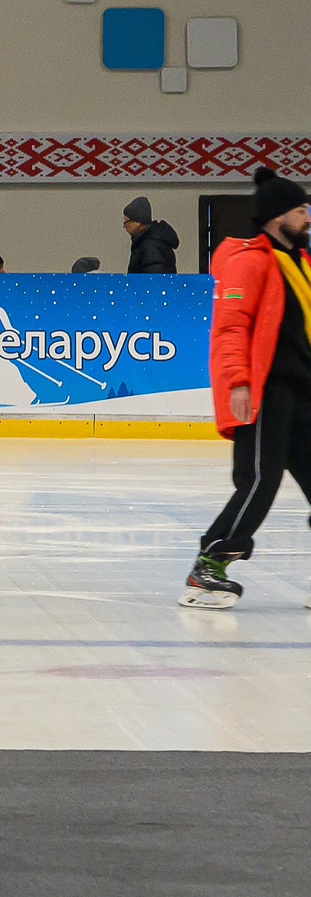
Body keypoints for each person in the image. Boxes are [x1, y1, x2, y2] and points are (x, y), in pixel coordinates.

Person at [181, 167, 311, 609]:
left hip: (303, 394)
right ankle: (209, 566)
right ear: (277, 217)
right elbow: (231, 328)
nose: (307, 216)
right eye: (300, 209)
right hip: (267, 391)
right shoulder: (252, 262)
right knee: (259, 481)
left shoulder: (301, 262)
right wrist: (238, 381)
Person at [123, 197, 180, 274]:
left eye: (126, 222)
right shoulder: (150, 242)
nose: (124, 226)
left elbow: (154, 281)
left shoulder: (151, 247)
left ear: (138, 222)